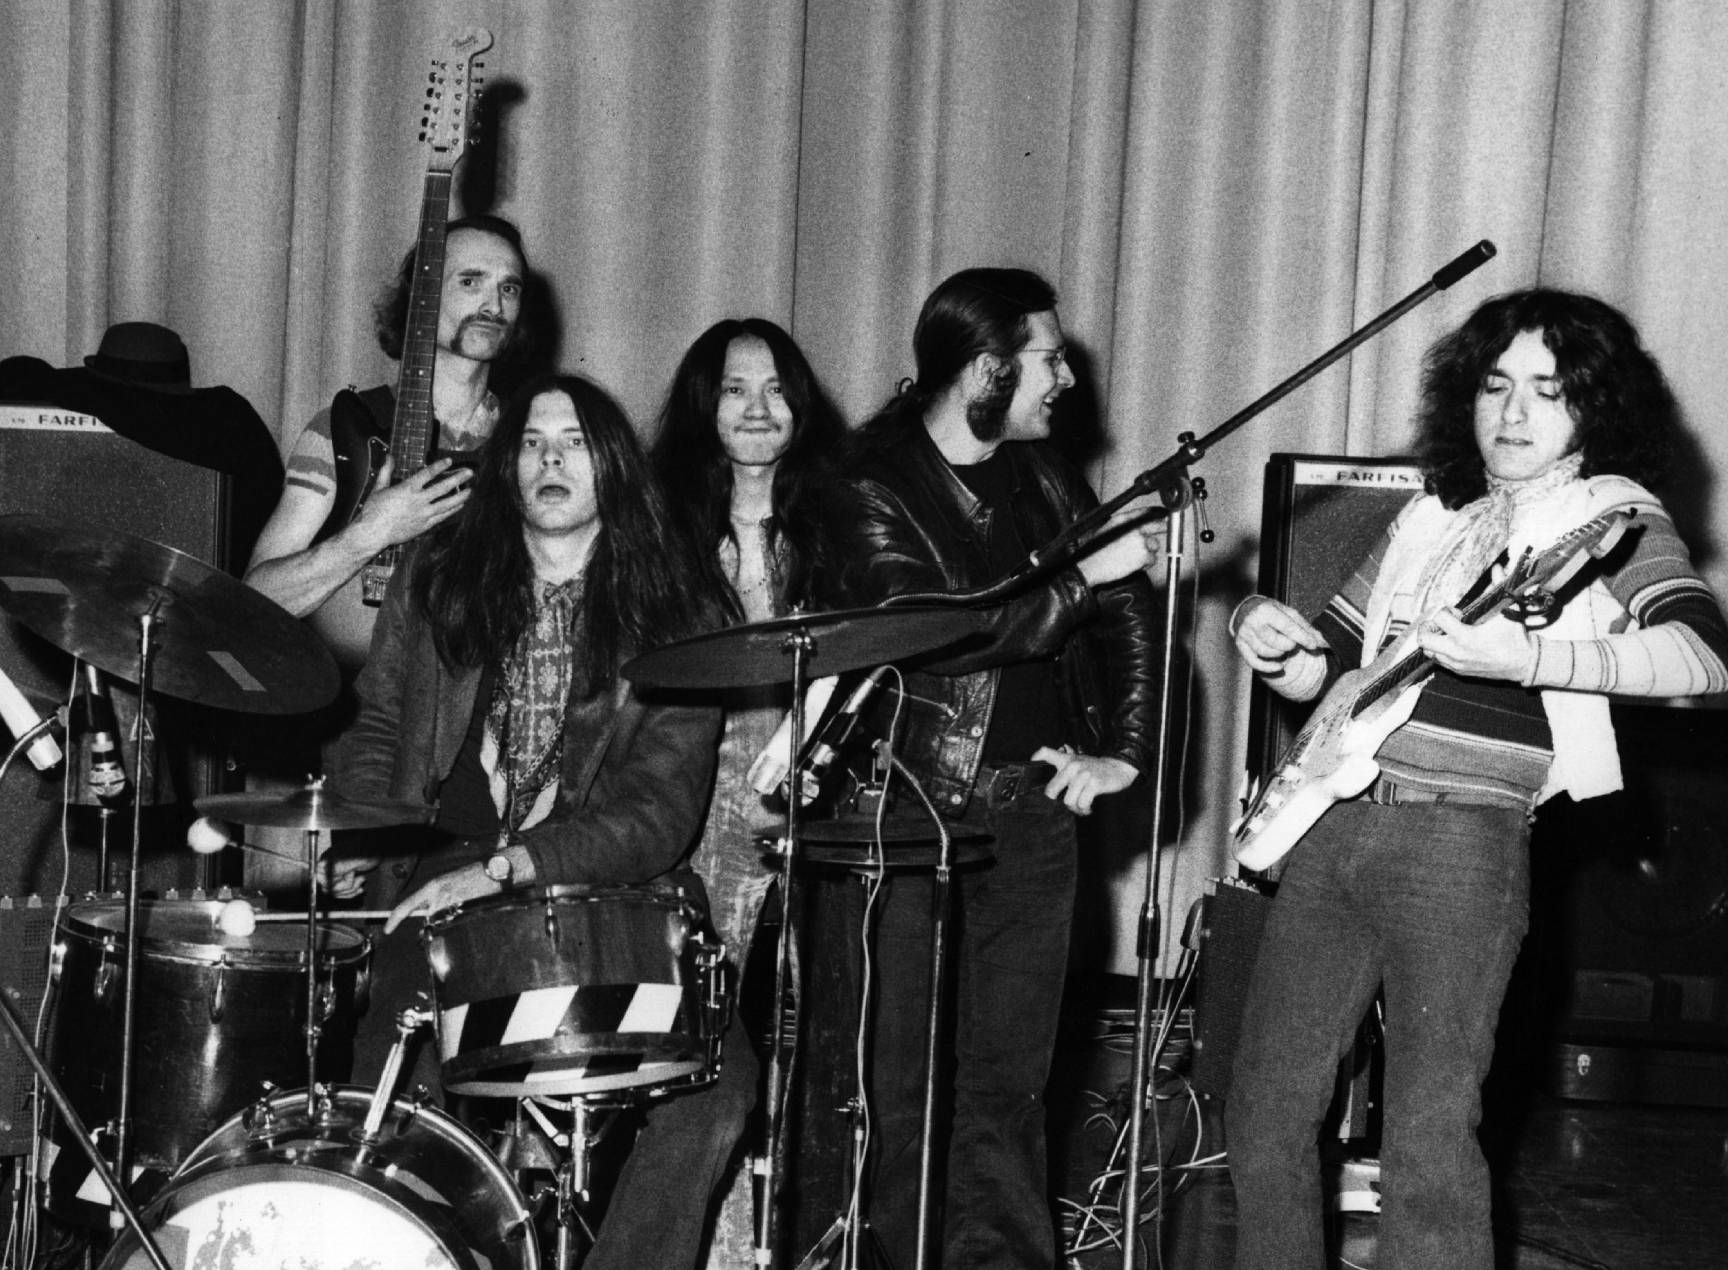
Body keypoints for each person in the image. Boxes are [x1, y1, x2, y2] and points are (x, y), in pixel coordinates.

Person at [1225, 288, 1728, 1269]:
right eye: (1494, 385)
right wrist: (1262, 629)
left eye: (1546, 391)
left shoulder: (1609, 514)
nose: (1510, 412)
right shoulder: (1428, 514)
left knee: (1423, 1137)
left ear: (1592, 411)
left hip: (1460, 843)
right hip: (1331, 829)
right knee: (1261, 1112)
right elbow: (1329, 667)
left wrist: (1527, 660)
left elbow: (1705, 658)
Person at [329, 374, 747, 1270]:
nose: (551, 458)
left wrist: (514, 866)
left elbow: (657, 813)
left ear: (613, 467)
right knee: (391, 1078)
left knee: (718, 1087)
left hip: (613, 891)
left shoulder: (680, 611)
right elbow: (377, 724)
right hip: (448, 881)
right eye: (531, 441)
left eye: (574, 441)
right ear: (506, 466)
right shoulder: (439, 579)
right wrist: (361, 837)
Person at [843, 267, 1163, 1267]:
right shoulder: (867, 479)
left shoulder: (1046, 477)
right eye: (1046, 357)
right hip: (905, 816)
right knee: (894, 1087)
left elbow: (1129, 616)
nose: (1064, 377)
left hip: (1029, 819)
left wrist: (1123, 751)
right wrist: (1079, 579)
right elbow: (931, 630)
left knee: (1007, 1085)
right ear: (985, 367)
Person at [650, 318, 853, 1266]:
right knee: (699, 1047)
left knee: (801, 1045)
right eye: (735, 389)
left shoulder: (840, 528)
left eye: (775, 388)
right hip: (687, 813)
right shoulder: (662, 532)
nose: (758, 408)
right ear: (705, 405)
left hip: (806, 805)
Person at [244, 214, 533, 671]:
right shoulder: (345, 431)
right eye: (470, 281)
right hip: (350, 710)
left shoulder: (531, 440)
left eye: (509, 288)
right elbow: (255, 604)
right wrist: (373, 533)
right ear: (420, 299)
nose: (493, 304)